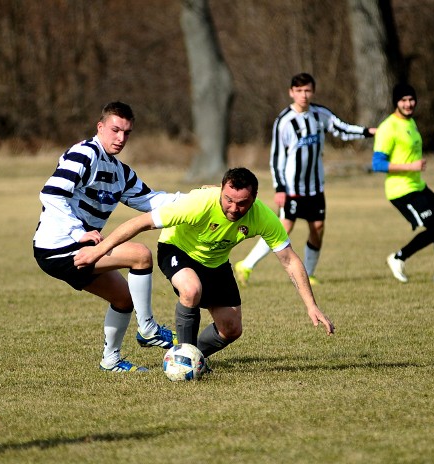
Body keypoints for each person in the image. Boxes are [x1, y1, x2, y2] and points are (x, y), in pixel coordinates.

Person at [74, 167, 334, 368]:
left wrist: (311, 305)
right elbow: (141, 223)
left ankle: (190, 355)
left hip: (216, 263)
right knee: (191, 289)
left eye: (242, 203)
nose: (233, 208)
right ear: (221, 189)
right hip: (177, 251)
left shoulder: (263, 217)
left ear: (254, 198)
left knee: (231, 329)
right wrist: (98, 251)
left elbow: (289, 260)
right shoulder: (199, 203)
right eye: (228, 199)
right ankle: (183, 363)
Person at [33, 101, 179, 374]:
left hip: (81, 248)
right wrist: (78, 232)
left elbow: (152, 200)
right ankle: (147, 329)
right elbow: (52, 193)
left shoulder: (120, 173)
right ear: (100, 127)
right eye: (115, 130)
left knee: (124, 298)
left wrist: (198, 200)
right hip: (58, 246)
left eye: (127, 132)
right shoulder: (85, 154)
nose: (121, 138)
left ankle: (110, 360)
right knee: (140, 255)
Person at [234, 72, 376, 286]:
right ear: (291, 92)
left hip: (315, 187)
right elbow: (276, 158)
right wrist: (279, 187)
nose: (303, 95)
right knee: (283, 227)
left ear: (313, 91)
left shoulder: (320, 115)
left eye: (307, 90)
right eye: (299, 91)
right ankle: (246, 265)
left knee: (317, 227)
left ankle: (308, 273)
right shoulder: (284, 121)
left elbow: (342, 129)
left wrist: (368, 131)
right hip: (292, 188)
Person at [372, 84, 434, 283]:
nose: (408, 103)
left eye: (411, 99)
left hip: (417, 186)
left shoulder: (410, 123)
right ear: (396, 102)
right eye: (403, 100)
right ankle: (398, 257)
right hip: (401, 190)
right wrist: (410, 167)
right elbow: (377, 164)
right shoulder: (388, 127)